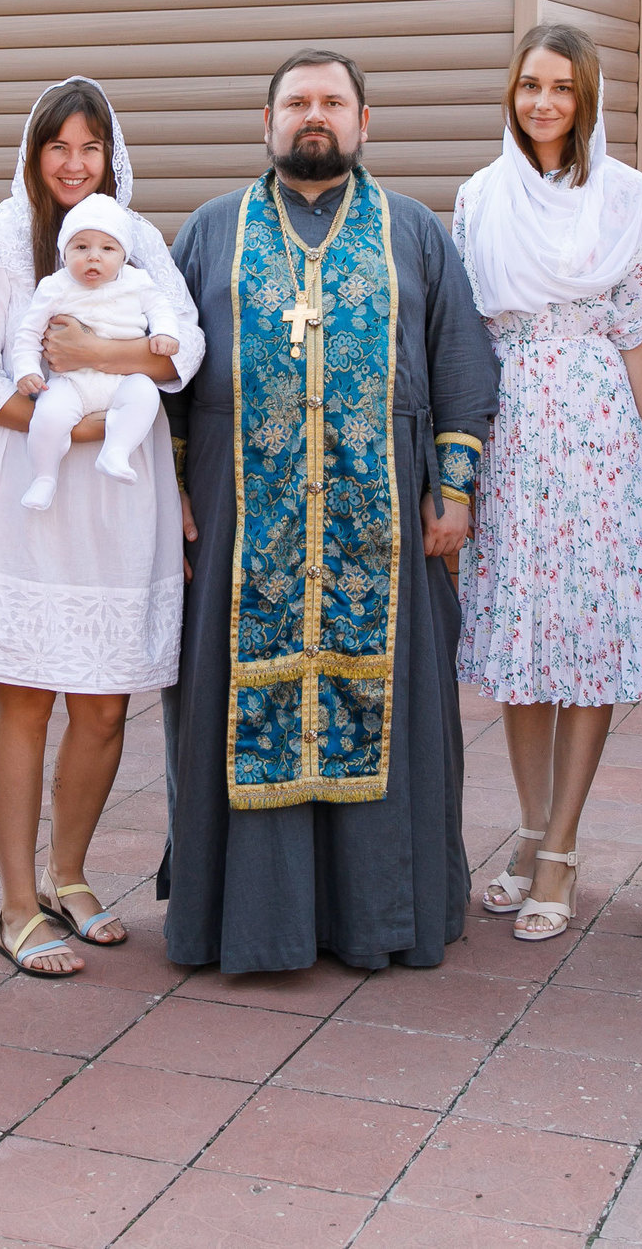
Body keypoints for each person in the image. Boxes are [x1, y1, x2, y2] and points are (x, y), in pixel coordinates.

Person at [160, 49, 499, 973]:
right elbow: (170, 377)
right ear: (266, 121)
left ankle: (375, 916)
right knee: (230, 704)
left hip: (384, 523)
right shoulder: (212, 230)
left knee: (391, 706)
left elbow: (462, 363)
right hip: (239, 519)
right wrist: (172, 497)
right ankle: (250, 921)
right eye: (297, 102)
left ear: (363, 122)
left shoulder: (413, 230)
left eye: (334, 102)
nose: (316, 115)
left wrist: (454, 488)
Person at [0, 78, 203, 979]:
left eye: (91, 147)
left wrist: (98, 357)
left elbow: (186, 347)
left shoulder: (139, 239)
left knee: (104, 700)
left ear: (111, 156)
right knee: (27, 696)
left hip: (121, 498)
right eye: (59, 146)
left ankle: (70, 873)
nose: (75, 163)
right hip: (31, 485)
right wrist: (79, 426)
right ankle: (17, 904)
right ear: (34, 151)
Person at [453, 24, 642, 944]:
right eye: (529, 85)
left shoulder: (625, 194)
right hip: (509, 423)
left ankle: (565, 846)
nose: (543, 102)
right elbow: (465, 326)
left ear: (586, 98)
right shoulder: (480, 195)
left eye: (561, 87)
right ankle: (531, 823)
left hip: (594, 425)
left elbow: (638, 328)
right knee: (520, 636)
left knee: (583, 630)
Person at [11, 195, 183, 510]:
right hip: (72, 382)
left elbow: (161, 307)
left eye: (107, 248)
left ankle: (116, 451)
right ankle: (44, 476)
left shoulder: (137, 281)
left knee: (145, 394)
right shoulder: (55, 286)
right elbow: (28, 332)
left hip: (123, 378)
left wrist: (164, 332)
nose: (93, 257)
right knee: (47, 416)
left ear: (123, 255)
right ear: (64, 253)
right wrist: (27, 369)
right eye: (81, 247)